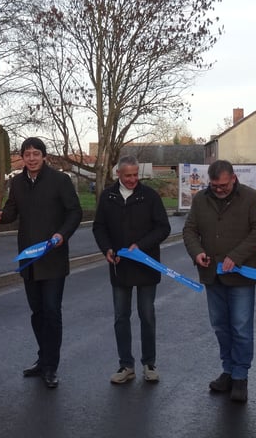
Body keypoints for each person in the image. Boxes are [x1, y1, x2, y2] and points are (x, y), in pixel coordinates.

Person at [0, 137, 82, 389]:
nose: (31, 158)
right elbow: (12, 211)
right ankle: (43, 359)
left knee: (52, 312)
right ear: (22, 157)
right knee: (37, 313)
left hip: (52, 258)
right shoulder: (17, 182)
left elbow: (74, 212)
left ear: (44, 156)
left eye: (35, 153)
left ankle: (51, 366)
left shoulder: (59, 181)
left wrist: (61, 235)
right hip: (29, 260)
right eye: (27, 154)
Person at [183, 160, 256, 403]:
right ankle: (228, 371)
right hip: (212, 274)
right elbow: (189, 230)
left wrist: (237, 256)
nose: (219, 190)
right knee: (220, 326)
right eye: (214, 186)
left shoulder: (251, 198)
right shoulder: (201, 199)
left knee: (241, 327)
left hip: (241, 275)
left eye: (223, 185)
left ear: (233, 178)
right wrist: (197, 252)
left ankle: (241, 376)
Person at [93, 155, 171, 385]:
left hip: (146, 265)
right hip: (119, 267)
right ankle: (126, 365)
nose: (133, 179)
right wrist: (106, 248)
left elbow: (163, 228)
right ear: (118, 173)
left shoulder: (150, 196)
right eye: (128, 175)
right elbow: (99, 227)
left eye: (136, 174)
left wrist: (142, 246)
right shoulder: (108, 196)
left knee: (147, 315)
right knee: (121, 317)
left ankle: (149, 363)